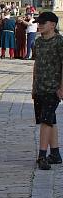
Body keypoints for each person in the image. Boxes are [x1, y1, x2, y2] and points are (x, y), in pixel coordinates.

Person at [30, 12, 63, 170]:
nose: (40, 25)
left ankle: (42, 155)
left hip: (53, 88)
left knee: (45, 121)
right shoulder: (38, 42)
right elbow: (36, 65)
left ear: (53, 25)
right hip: (40, 88)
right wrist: (33, 86)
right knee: (51, 120)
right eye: (38, 22)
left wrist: (61, 87)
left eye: (43, 22)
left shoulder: (59, 42)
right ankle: (55, 154)